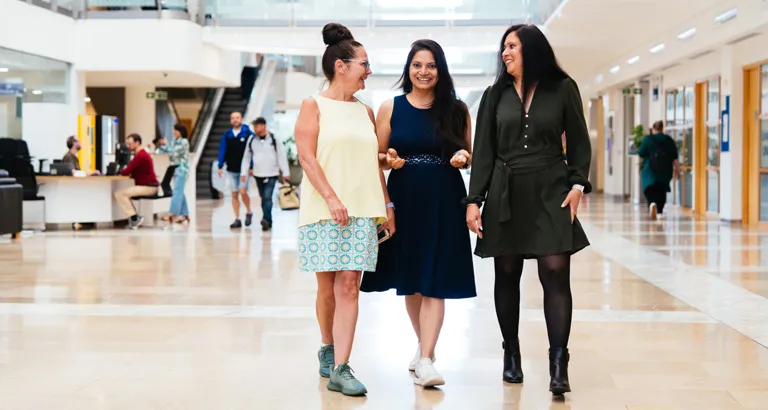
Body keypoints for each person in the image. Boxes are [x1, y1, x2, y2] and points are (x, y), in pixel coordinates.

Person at [464, 24, 592, 396]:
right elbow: (484, 151)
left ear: (532, 50)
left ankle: (558, 365)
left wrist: (578, 184)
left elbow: (580, 141)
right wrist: (474, 200)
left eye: (513, 46)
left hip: (551, 190)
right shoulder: (494, 95)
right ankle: (511, 354)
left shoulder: (563, 89)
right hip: (505, 192)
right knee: (507, 274)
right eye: (504, 47)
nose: (505, 53)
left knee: (555, 272)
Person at [359, 39, 476, 387]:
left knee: (435, 280)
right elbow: (377, 156)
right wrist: (388, 160)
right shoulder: (389, 107)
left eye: (431, 66)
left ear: (440, 71)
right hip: (404, 197)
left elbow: (469, 153)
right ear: (408, 69)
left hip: (444, 196)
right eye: (417, 65)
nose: (423, 72)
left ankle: (426, 357)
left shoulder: (457, 109)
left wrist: (462, 158)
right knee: (411, 281)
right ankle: (425, 347)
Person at [294, 22, 394, 397]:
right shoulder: (312, 105)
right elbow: (306, 157)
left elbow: (372, 162)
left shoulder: (366, 113)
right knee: (328, 290)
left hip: (363, 210)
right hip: (323, 210)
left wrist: (387, 203)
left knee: (350, 285)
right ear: (341, 66)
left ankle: (341, 367)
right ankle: (327, 345)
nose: (368, 72)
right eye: (364, 65)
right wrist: (332, 198)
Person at [240, 117, 291, 231]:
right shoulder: (251, 140)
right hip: (258, 174)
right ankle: (268, 220)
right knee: (263, 197)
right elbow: (246, 157)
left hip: (272, 173)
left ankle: (266, 219)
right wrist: (244, 172)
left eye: (257, 126)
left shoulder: (274, 139)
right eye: (254, 126)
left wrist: (285, 172)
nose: (255, 128)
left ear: (263, 126)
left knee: (267, 197)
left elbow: (281, 156)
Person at [217, 111, 254, 228]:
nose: (235, 120)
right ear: (230, 121)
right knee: (234, 194)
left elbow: (252, 152)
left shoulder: (248, 134)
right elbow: (222, 150)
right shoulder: (227, 135)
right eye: (233, 118)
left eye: (237, 117)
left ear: (241, 119)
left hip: (244, 170)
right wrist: (220, 165)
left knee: (243, 191)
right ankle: (237, 218)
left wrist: (252, 166)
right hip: (231, 169)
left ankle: (249, 211)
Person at [115, 133, 160, 229]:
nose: (128, 146)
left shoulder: (140, 155)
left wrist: (119, 171)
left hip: (149, 187)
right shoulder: (141, 154)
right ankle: (134, 218)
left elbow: (126, 171)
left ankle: (135, 218)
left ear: (137, 143)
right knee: (121, 193)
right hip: (149, 186)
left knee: (120, 194)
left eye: (130, 144)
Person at [638, 120, 679, 220]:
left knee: (650, 188)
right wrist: (678, 171)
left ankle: (652, 203)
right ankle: (659, 211)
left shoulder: (648, 139)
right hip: (665, 170)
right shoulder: (668, 140)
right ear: (662, 128)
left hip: (650, 170)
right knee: (662, 190)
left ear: (653, 129)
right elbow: (675, 158)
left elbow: (641, 153)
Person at [156, 123, 191, 224]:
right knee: (179, 191)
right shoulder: (173, 141)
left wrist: (167, 146)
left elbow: (173, 153)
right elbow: (163, 151)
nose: (173, 132)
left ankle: (172, 213)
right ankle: (184, 214)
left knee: (176, 191)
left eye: (175, 130)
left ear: (181, 131)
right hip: (174, 169)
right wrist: (162, 145)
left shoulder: (184, 142)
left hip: (181, 169)